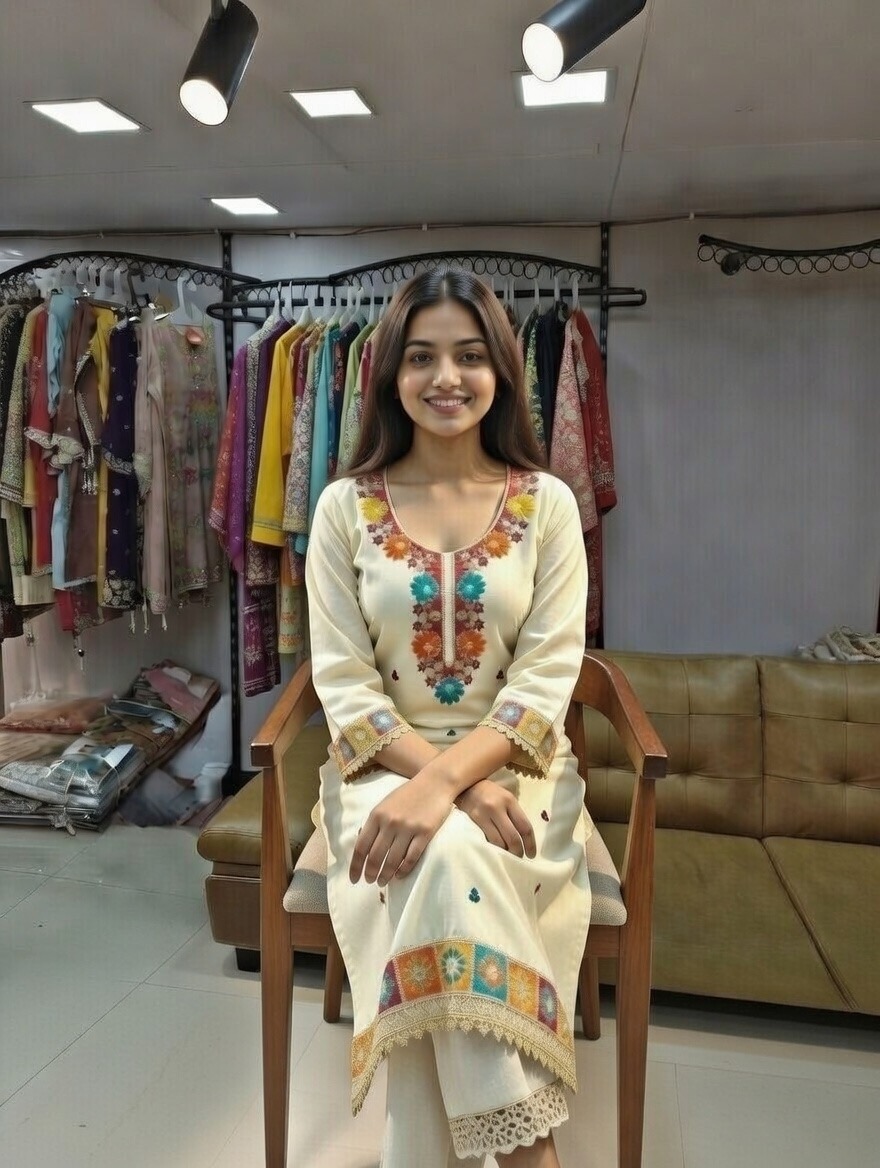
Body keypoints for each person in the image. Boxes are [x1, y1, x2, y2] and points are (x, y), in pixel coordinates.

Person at [304, 267, 592, 1168]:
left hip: (521, 773)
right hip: (378, 774)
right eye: (421, 357)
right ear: (390, 372)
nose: (446, 378)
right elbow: (344, 681)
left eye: (469, 356)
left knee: (445, 852)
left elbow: (547, 674)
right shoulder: (345, 508)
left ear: (501, 369)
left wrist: (452, 782)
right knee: (448, 850)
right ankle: (530, 1150)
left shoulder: (546, 504)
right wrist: (438, 785)